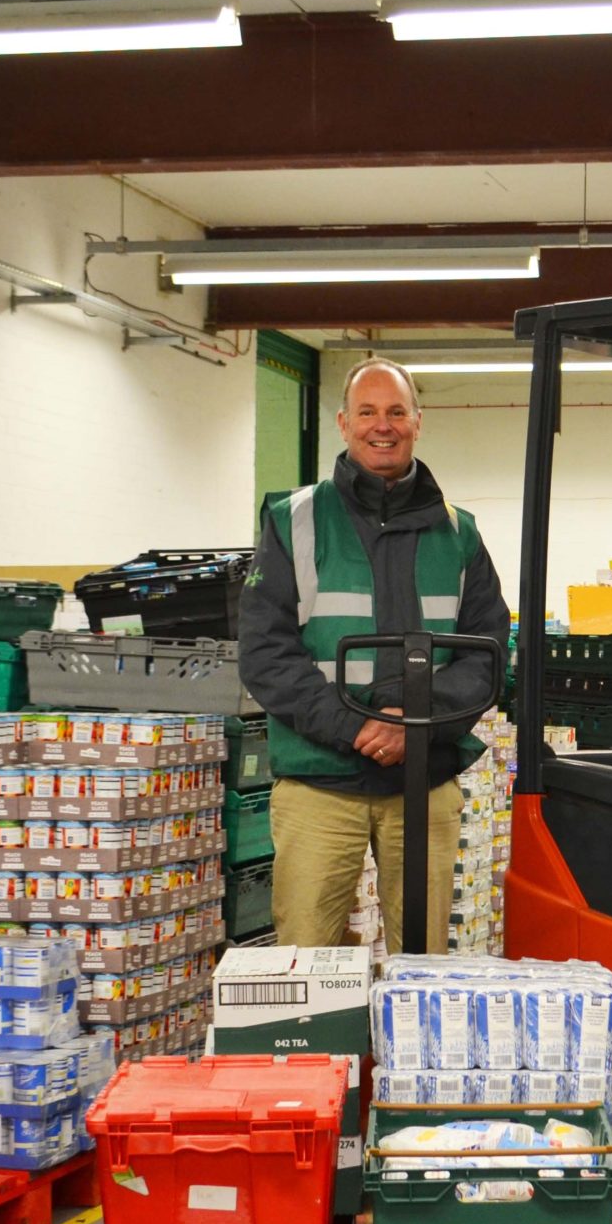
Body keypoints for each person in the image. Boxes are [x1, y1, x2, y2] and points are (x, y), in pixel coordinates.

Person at [238, 357, 509, 954]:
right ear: (342, 422)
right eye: (367, 412)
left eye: (395, 412)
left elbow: (488, 653)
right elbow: (265, 652)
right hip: (318, 779)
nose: (381, 425)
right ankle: (319, 1052)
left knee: (425, 964)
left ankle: (409, 1053)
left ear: (417, 421)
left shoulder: (458, 532)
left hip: (424, 777)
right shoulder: (293, 521)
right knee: (305, 963)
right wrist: (357, 726)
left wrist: (414, 727)